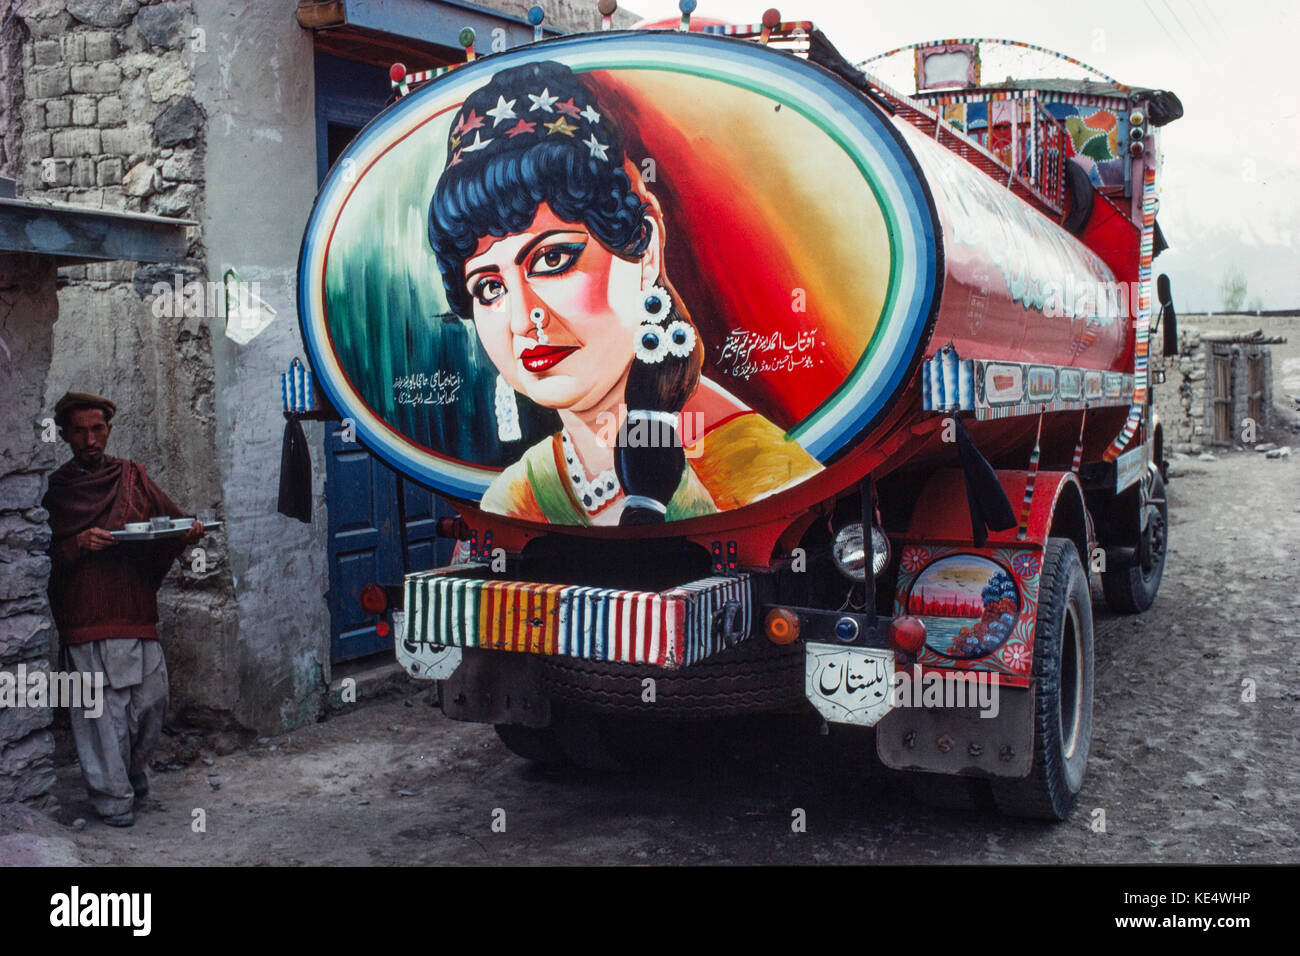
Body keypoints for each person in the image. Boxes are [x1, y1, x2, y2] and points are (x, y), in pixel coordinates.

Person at [428, 60, 821, 527]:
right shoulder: (516, 497)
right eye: (490, 287)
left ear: (646, 252)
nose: (521, 319)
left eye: (552, 260)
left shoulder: (760, 476)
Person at [41, 392, 204, 827]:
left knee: (150, 703)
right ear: (65, 436)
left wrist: (189, 532)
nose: (90, 439)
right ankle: (111, 798)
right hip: (85, 614)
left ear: (109, 431)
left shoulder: (132, 476)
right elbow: (36, 554)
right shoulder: (56, 490)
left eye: (97, 429)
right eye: (79, 431)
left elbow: (170, 520)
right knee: (99, 714)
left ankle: (132, 776)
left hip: (135, 609)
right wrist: (77, 544)